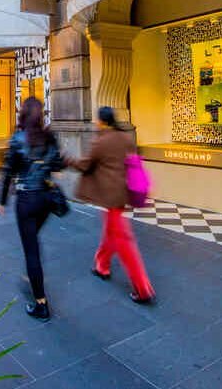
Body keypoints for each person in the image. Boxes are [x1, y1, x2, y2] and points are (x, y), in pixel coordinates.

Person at [67, 106, 155, 304]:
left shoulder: (102, 141)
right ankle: (102, 265)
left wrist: (67, 160)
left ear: (101, 121)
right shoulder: (125, 138)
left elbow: (85, 165)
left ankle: (142, 288)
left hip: (110, 195)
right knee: (111, 232)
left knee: (123, 240)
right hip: (124, 193)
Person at [0, 97, 64, 320]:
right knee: (33, 239)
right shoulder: (49, 136)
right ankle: (32, 275)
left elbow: (8, 171)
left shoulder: (18, 138)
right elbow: (57, 165)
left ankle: (40, 303)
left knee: (31, 250)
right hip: (45, 199)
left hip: (26, 199)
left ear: (23, 114)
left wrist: (1, 201)